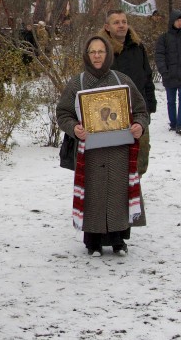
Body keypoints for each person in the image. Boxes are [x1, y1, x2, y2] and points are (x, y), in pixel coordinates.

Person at [56, 36, 149, 256]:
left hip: (119, 151)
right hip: (91, 153)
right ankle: (93, 242)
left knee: (118, 194)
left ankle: (119, 240)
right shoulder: (76, 83)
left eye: (101, 51)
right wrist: (74, 128)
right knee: (94, 196)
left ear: (108, 54)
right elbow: (63, 113)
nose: (97, 56)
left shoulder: (121, 80)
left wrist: (139, 125)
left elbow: (141, 110)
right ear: (87, 55)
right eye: (92, 52)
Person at [97, 10, 156, 174]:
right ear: (107, 27)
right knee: (116, 157)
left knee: (141, 155)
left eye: (124, 21)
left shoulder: (138, 46)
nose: (121, 25)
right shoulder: (100, 51)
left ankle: (135, 188)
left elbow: (147, 76)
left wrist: (150, 105)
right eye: (116, 22)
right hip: (111, 113)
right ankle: (119, 193)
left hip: (138, 111)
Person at [154, 10, 181, 134]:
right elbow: (160, 56)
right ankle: (173, 123)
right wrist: (164, 72)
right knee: (171, 100)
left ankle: (180, 124)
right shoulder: (164, 38)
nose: (179, 23)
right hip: (170, 74)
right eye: (177, 20)